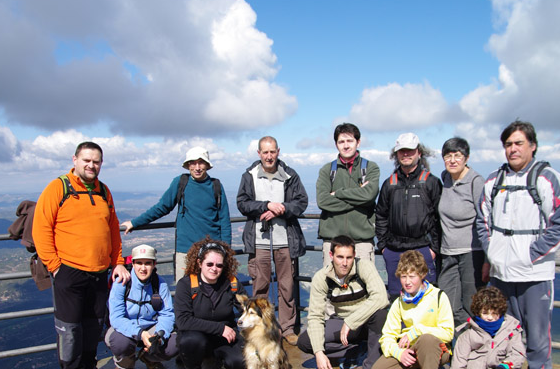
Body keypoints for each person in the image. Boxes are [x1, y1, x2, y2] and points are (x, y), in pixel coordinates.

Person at [476, 120, 560, 369]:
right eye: (508, 144)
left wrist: (532, 254)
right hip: (502, 272)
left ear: (532, 146)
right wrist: (493, 252)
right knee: (505, 328)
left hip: (535, 272)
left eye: (519, 143)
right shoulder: (494, 182)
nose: (513, 149)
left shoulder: (547, 178)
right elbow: (483, 221)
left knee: (538, 329)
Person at [32, 141, 131, 369]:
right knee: (69, 329)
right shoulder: (58, 188)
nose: (91, 165)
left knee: (91, 327)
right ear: (74, 160)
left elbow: (112, 230)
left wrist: (118, 261)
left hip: (99, 273)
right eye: (86, 160)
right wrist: (54, 267)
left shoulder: (103, 191)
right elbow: (41, 229)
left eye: (96, 161)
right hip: (69, 272)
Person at [237, 136, 308, 345]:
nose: (269, 156)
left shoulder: (290, 175)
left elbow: (301, 202)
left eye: (272, 152)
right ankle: (260, 328)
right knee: (260, 288)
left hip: (285, 241)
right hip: (259, 242)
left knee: (287, 287)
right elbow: (242, 203)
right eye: (265, 152)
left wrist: (282, 209)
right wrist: (266, 205)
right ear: (259, 153)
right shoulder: (249, 175)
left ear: (278, 152)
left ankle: (287, 329)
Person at [121, 147, 231, 280]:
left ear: (207, 165)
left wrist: (225, 251)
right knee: (184, 293)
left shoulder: (216, 186)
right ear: (187, 165)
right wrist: (134, 223)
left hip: (211, 251)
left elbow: (224, 220)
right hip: (186, 250)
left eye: (201, 162)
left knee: (212, 293)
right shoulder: (180, 183)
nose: (197, 167)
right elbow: (162, 207)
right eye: (192, 163)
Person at [297, 235, 389, 369]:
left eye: (349, 257)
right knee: (306, 342)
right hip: (343, 324)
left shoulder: (364, 267)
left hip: (367, 322)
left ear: (354, 256)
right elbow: (315, 317)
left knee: (381, 315)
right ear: (331, 255)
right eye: (340, 257)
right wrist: (319, 353)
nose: (344, 263)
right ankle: (355, 351)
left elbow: (381, 298)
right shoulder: (322, 278)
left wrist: (351, 321)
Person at [370, 250, 454, 369]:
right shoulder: (399, 302)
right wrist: (398, 353)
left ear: (422, 275)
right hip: (410, 350)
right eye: (403, 276)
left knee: (428, 340)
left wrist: (417, 330)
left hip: (437, 349)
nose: (407, 282)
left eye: (412, 276)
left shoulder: (438, 297)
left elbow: (448, 332)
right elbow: (387, 337)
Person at [173, 238, 247, 369]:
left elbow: (247, 309)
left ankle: (217, 362)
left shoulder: (231, 284)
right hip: (197, 336)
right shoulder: (186, 285)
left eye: (219, 265)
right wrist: (220, 328)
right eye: (210, 264)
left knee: (240, 360)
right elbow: (183, 321)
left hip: (224, 337)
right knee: (191, 340)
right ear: (199, 263)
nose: (215, 269)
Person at [375, 133, 442, 297]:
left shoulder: (430, 182)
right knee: (397, 299)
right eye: (401, 151)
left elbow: (439, 218)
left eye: (410, 150)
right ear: (396, 154)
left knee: (426, 299)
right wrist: (384, 246)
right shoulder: (390, 183)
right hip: (394, 250)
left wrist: (433, 249)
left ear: (419, 152)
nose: (405, 154)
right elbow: (381, 215)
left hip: (422, 249)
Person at [449, 286, 525, 369]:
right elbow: (458, 364)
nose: (490, 317)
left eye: (494, 313)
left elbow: (518, 353)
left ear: (500, 311)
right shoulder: (468, 335)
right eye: (485, 313)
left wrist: (503, 368)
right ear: (478, 312)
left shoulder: (511, 329)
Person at [105, 244, 177, 369]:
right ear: (132, 264)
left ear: (154, 264)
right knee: (120, 342)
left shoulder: (159, 284)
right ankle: (124, 366)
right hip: (126, 327)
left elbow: (167, 314)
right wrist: (140, 333)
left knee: (173, 345)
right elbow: (117, 317)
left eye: (148, 263)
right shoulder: (122, 283)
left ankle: (149, 358)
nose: (143, 268)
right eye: (139, 263)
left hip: (151, 326)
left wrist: (160, 334)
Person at [316, 123, 380, 266]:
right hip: (333, 243)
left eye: (350, 141)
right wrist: (360, 197)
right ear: (336, 145)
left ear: (358, 142)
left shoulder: (371, 167)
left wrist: (338, 193)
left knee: (363, 287)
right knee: (334, 287)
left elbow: (369, 195)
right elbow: (323, 201)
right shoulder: (327, 170)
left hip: (362, 242)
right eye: (341, 142)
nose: (346, 146)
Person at [438, 137, 485, 324]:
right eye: (448, 156)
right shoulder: (446, 178)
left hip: (472, 253)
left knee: (472, 304)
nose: (452, 160)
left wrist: (488, 259)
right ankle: (466, 343)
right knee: (447, 304)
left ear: (466, 158)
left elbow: (485, 218)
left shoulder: (476, 182)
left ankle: (477, 348)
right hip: (448, 252)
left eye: (457, 156)